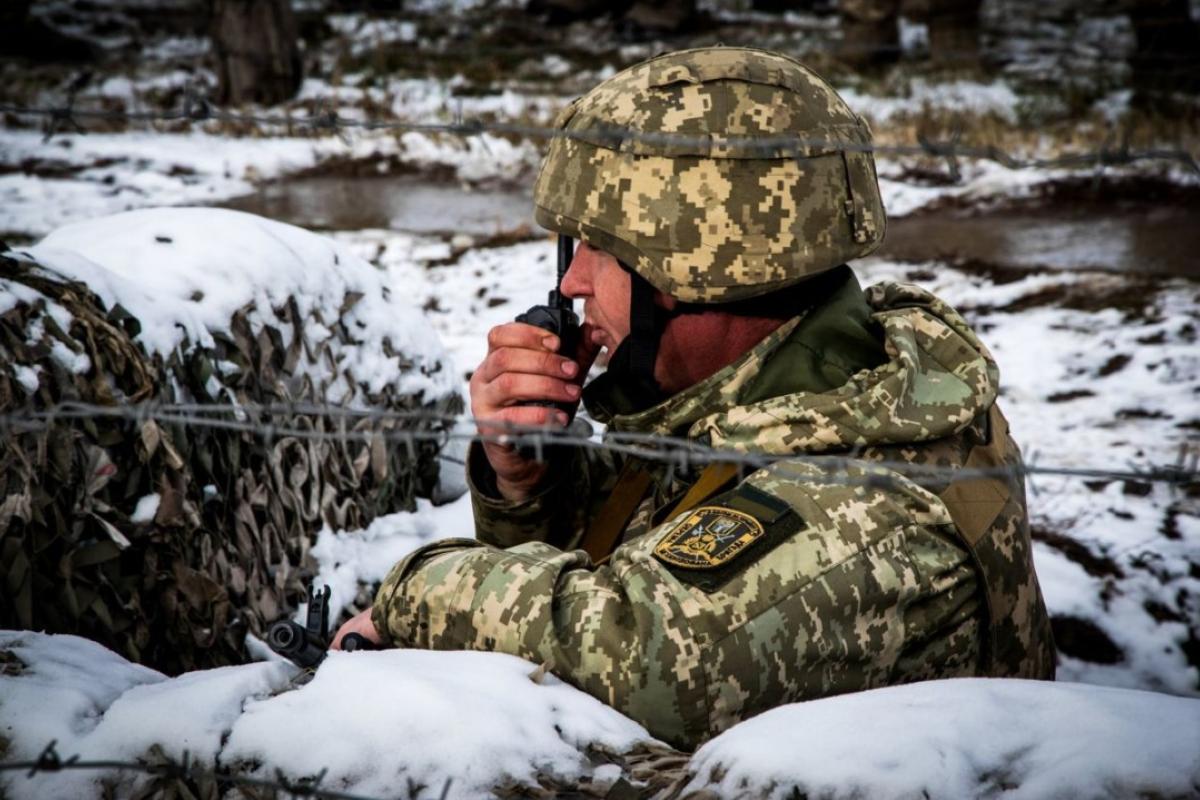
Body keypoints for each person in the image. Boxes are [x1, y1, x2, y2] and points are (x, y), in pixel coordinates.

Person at [333, 46, 1056, 749]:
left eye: (595, 249)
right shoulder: (760, 395)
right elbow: (623, 560)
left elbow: (639, 659)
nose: (573, 283)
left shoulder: (867, 503)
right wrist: (529, 477)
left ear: (692, 273)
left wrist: (413, 596)